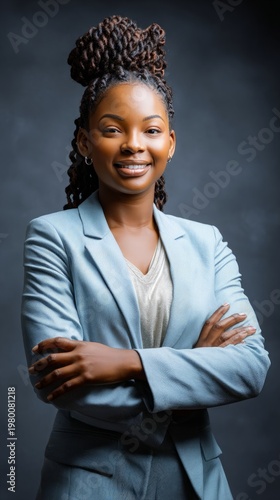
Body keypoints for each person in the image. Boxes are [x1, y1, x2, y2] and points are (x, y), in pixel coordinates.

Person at [21, 14, 270, 500]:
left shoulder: (207, 243)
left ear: (170, 143)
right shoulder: (52, 238)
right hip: (90, 481)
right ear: (84, 141)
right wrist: (196, 365)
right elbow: (62, 384)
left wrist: (127, 362)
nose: (134, 144)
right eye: (113, 129)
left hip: (196, 480)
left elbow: (250, 367)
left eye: (151, 130)